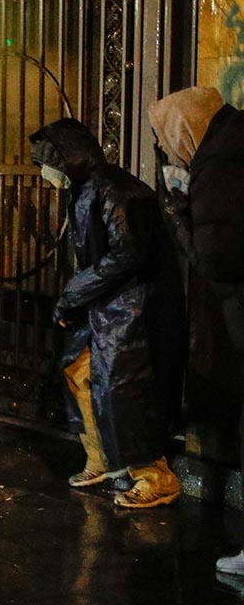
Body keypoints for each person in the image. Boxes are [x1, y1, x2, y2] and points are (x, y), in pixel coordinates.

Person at [29, 119, 184, 508]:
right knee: (79, 372)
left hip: (130, 307)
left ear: (69, 160)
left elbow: (127, 252)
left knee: (122, 388)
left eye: (51, 165)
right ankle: (103, 458)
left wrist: (73, 294)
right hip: (108, 303)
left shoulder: (114, 190)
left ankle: (154, 475)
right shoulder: (87, 189)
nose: (47, 175)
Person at [146, 88, 244, 570]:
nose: (168, 152)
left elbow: (216, 258)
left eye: (167, 141)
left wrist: (179, 207)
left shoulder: (218, 166)